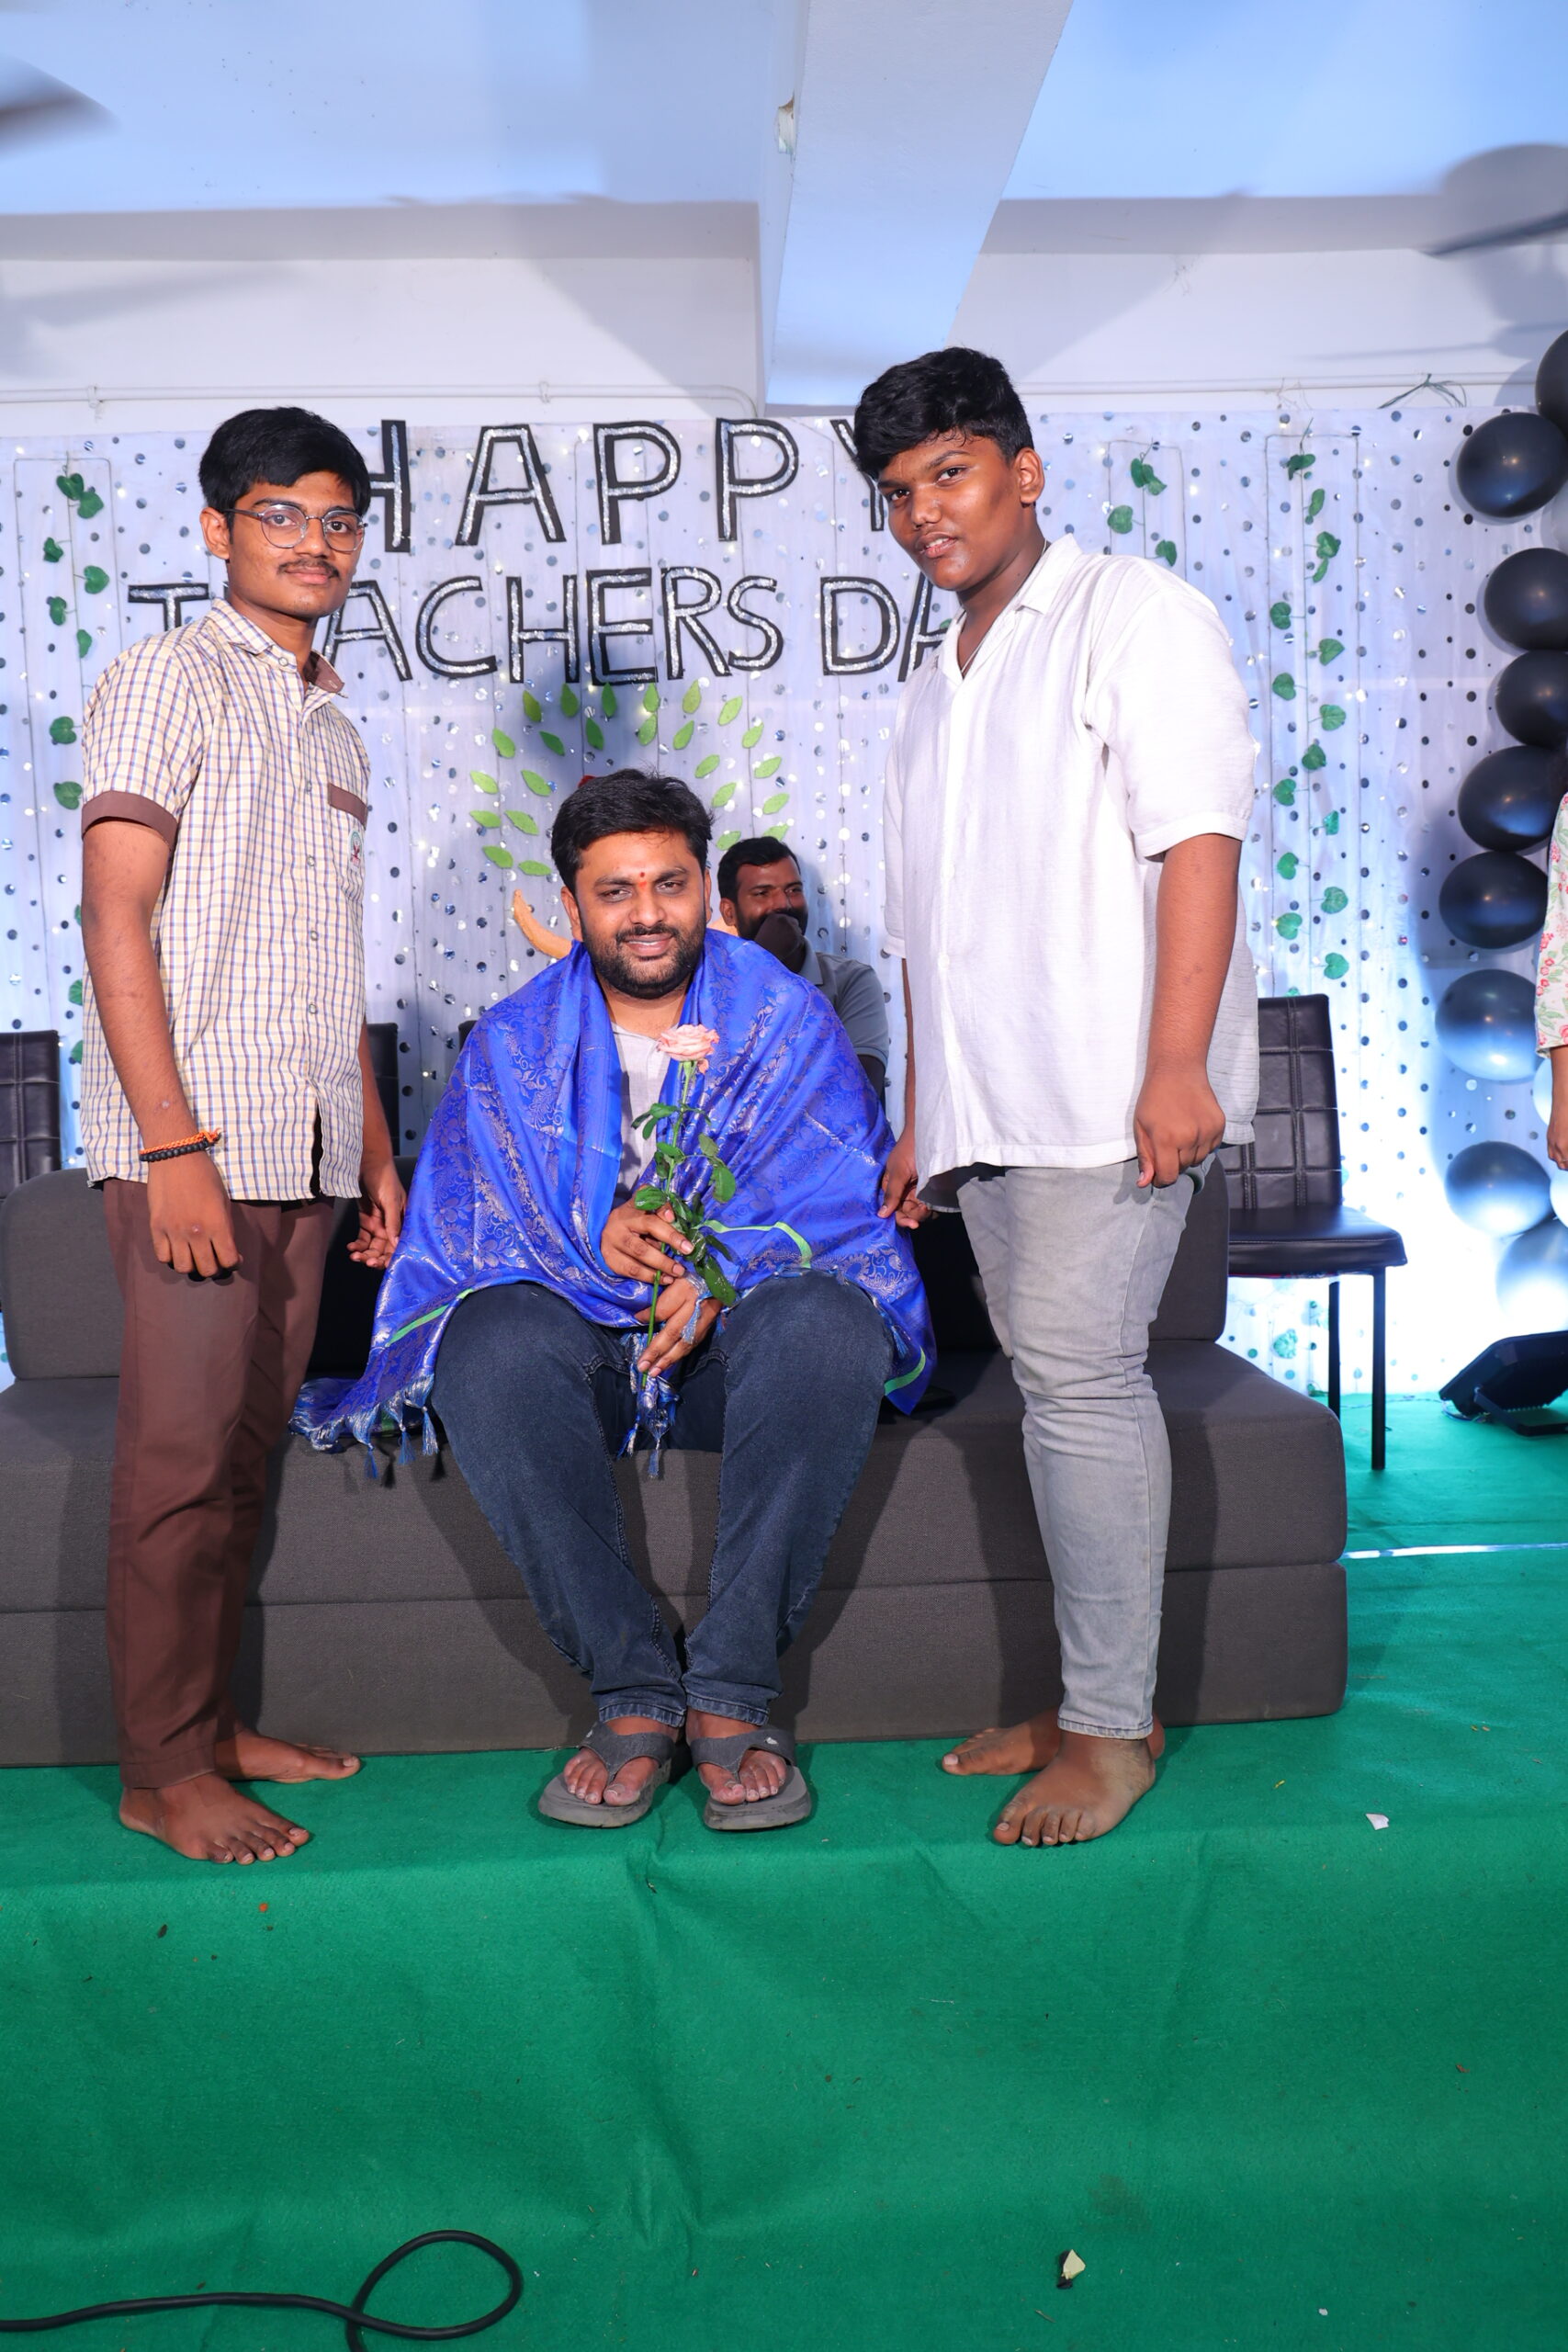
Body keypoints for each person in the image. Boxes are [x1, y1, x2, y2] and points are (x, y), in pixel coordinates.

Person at [294, 771, 931, 1833]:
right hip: (580, 1351)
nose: (646, 913)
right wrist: (586, 1232)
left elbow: (843, 1202)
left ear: (705, 890)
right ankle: (632, 1686)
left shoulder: (787, 1018)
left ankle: (729, 1690)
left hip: (734, 1350)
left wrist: (719, 1274)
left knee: (829, 1325)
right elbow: (464, 1222)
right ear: (574, 902)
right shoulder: (512, 1041)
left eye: (670, 883)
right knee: (484, 1343)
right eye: (615, 890)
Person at [857, 347, 1258, 1849]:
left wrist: (1176, 1063)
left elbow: (1197, 839)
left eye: (948, 474)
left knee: (1082, 1388)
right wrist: (921, 1111)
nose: (922, 513)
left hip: (1105, 1089)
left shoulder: (1134, 613)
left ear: (1023, 472)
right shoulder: (929, 688)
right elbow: (920, 930)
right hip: (990, 1107)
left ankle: (1104, 1730)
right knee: (1050, 1395)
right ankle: (1097, 1697)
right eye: (896, 493)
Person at [80, 405, 405, 1866]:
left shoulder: (334, 721)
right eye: (281, 515)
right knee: (177, 1464)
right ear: (218, 529)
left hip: (308, 1151)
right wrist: (172, 1152)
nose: (314, 543)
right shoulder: (167, 676)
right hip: (195, 1150)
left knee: (244, 1462)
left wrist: (374, 1154)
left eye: (338, 520)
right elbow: (115, 915)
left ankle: (208, 1728)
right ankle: (159, 1773)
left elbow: (327, 961)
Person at [716, 836, 892, 1094]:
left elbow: (857, 1092)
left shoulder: (852, 981)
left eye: (793, 890)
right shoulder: (712, 986)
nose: (783, 904)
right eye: (762, 893)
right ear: (729, 912)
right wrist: (765, 966)